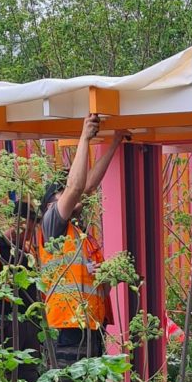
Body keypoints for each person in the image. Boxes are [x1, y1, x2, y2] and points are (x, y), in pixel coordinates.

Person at [38, 114, 127, 366]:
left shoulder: (81, 236)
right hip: (67, 329)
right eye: (63, 194)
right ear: (50, 204)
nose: (71, 196)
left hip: (90, 328)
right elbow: (76, 188)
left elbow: (85, 188)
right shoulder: (52, 223)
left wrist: (115, 142)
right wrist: (84, 137)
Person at [0, 200, 41, 382]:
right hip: (5, 325)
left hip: (29, 324)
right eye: (26, 230)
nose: (28, 236)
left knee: (29, 372)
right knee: (8, 375)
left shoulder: (27, 251)